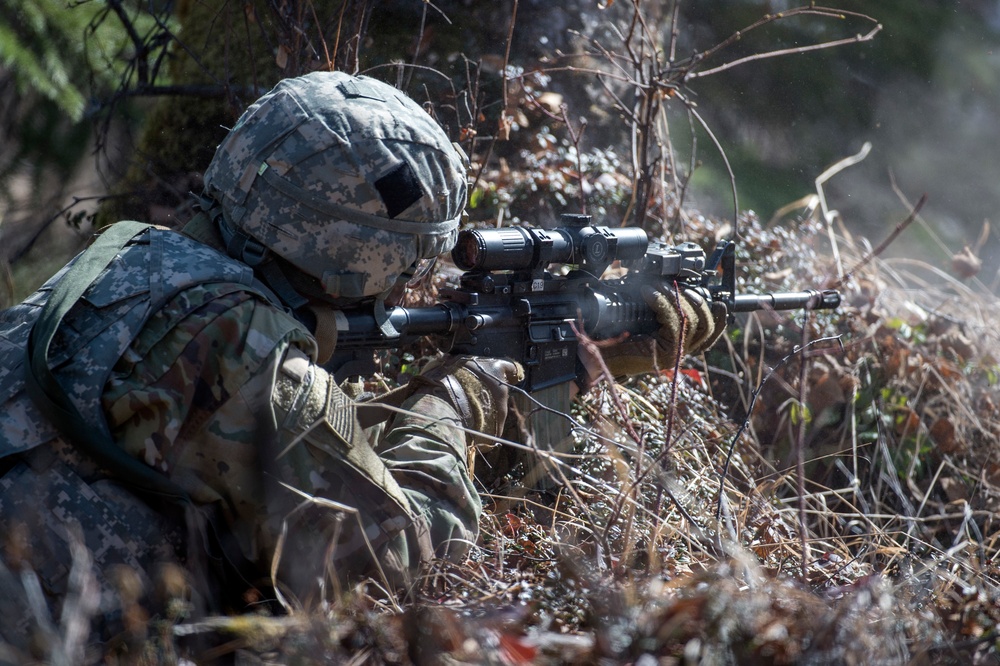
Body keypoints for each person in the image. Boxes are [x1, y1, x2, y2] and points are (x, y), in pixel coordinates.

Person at [0, 71, 725, 659]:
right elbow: (393, 567)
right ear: (357, 258)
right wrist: (463, 395)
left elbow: (260, 451)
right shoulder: (246, 353)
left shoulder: (135, 256)